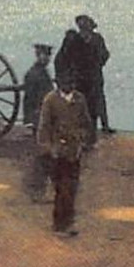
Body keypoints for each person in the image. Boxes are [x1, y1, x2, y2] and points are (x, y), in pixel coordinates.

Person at [37, 71, 93, 237]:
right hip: (57, 153)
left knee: (72, 188)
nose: (70, 86)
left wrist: (82, 140)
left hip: (74, 152)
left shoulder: (79, 100)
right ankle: (61, 224)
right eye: (67, 82)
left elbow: (86, 123)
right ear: (59, 83)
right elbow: (44, 127)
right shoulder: (50, 100)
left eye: (72, 82)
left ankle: (65, 223)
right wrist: (48, 148)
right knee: (62, 189)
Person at [56, 14, 111, 139]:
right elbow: (64, 57)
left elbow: (105, 54)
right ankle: (85, 133)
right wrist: (68, 73)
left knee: (98, 102)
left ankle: (102, 128)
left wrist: (98, 63)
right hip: (80, 78)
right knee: (82, 104)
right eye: (82, 28)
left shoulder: (97, 39)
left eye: (86, 27)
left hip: (95, 77)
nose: (84, 30)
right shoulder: (75, 40)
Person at [21, 43, 55, 132]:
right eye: (43, 56)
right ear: (38, 56)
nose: (46, 59)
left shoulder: (44, 72)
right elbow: (30, 97)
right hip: (36, 107)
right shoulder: (33, 73)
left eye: (47, 56)